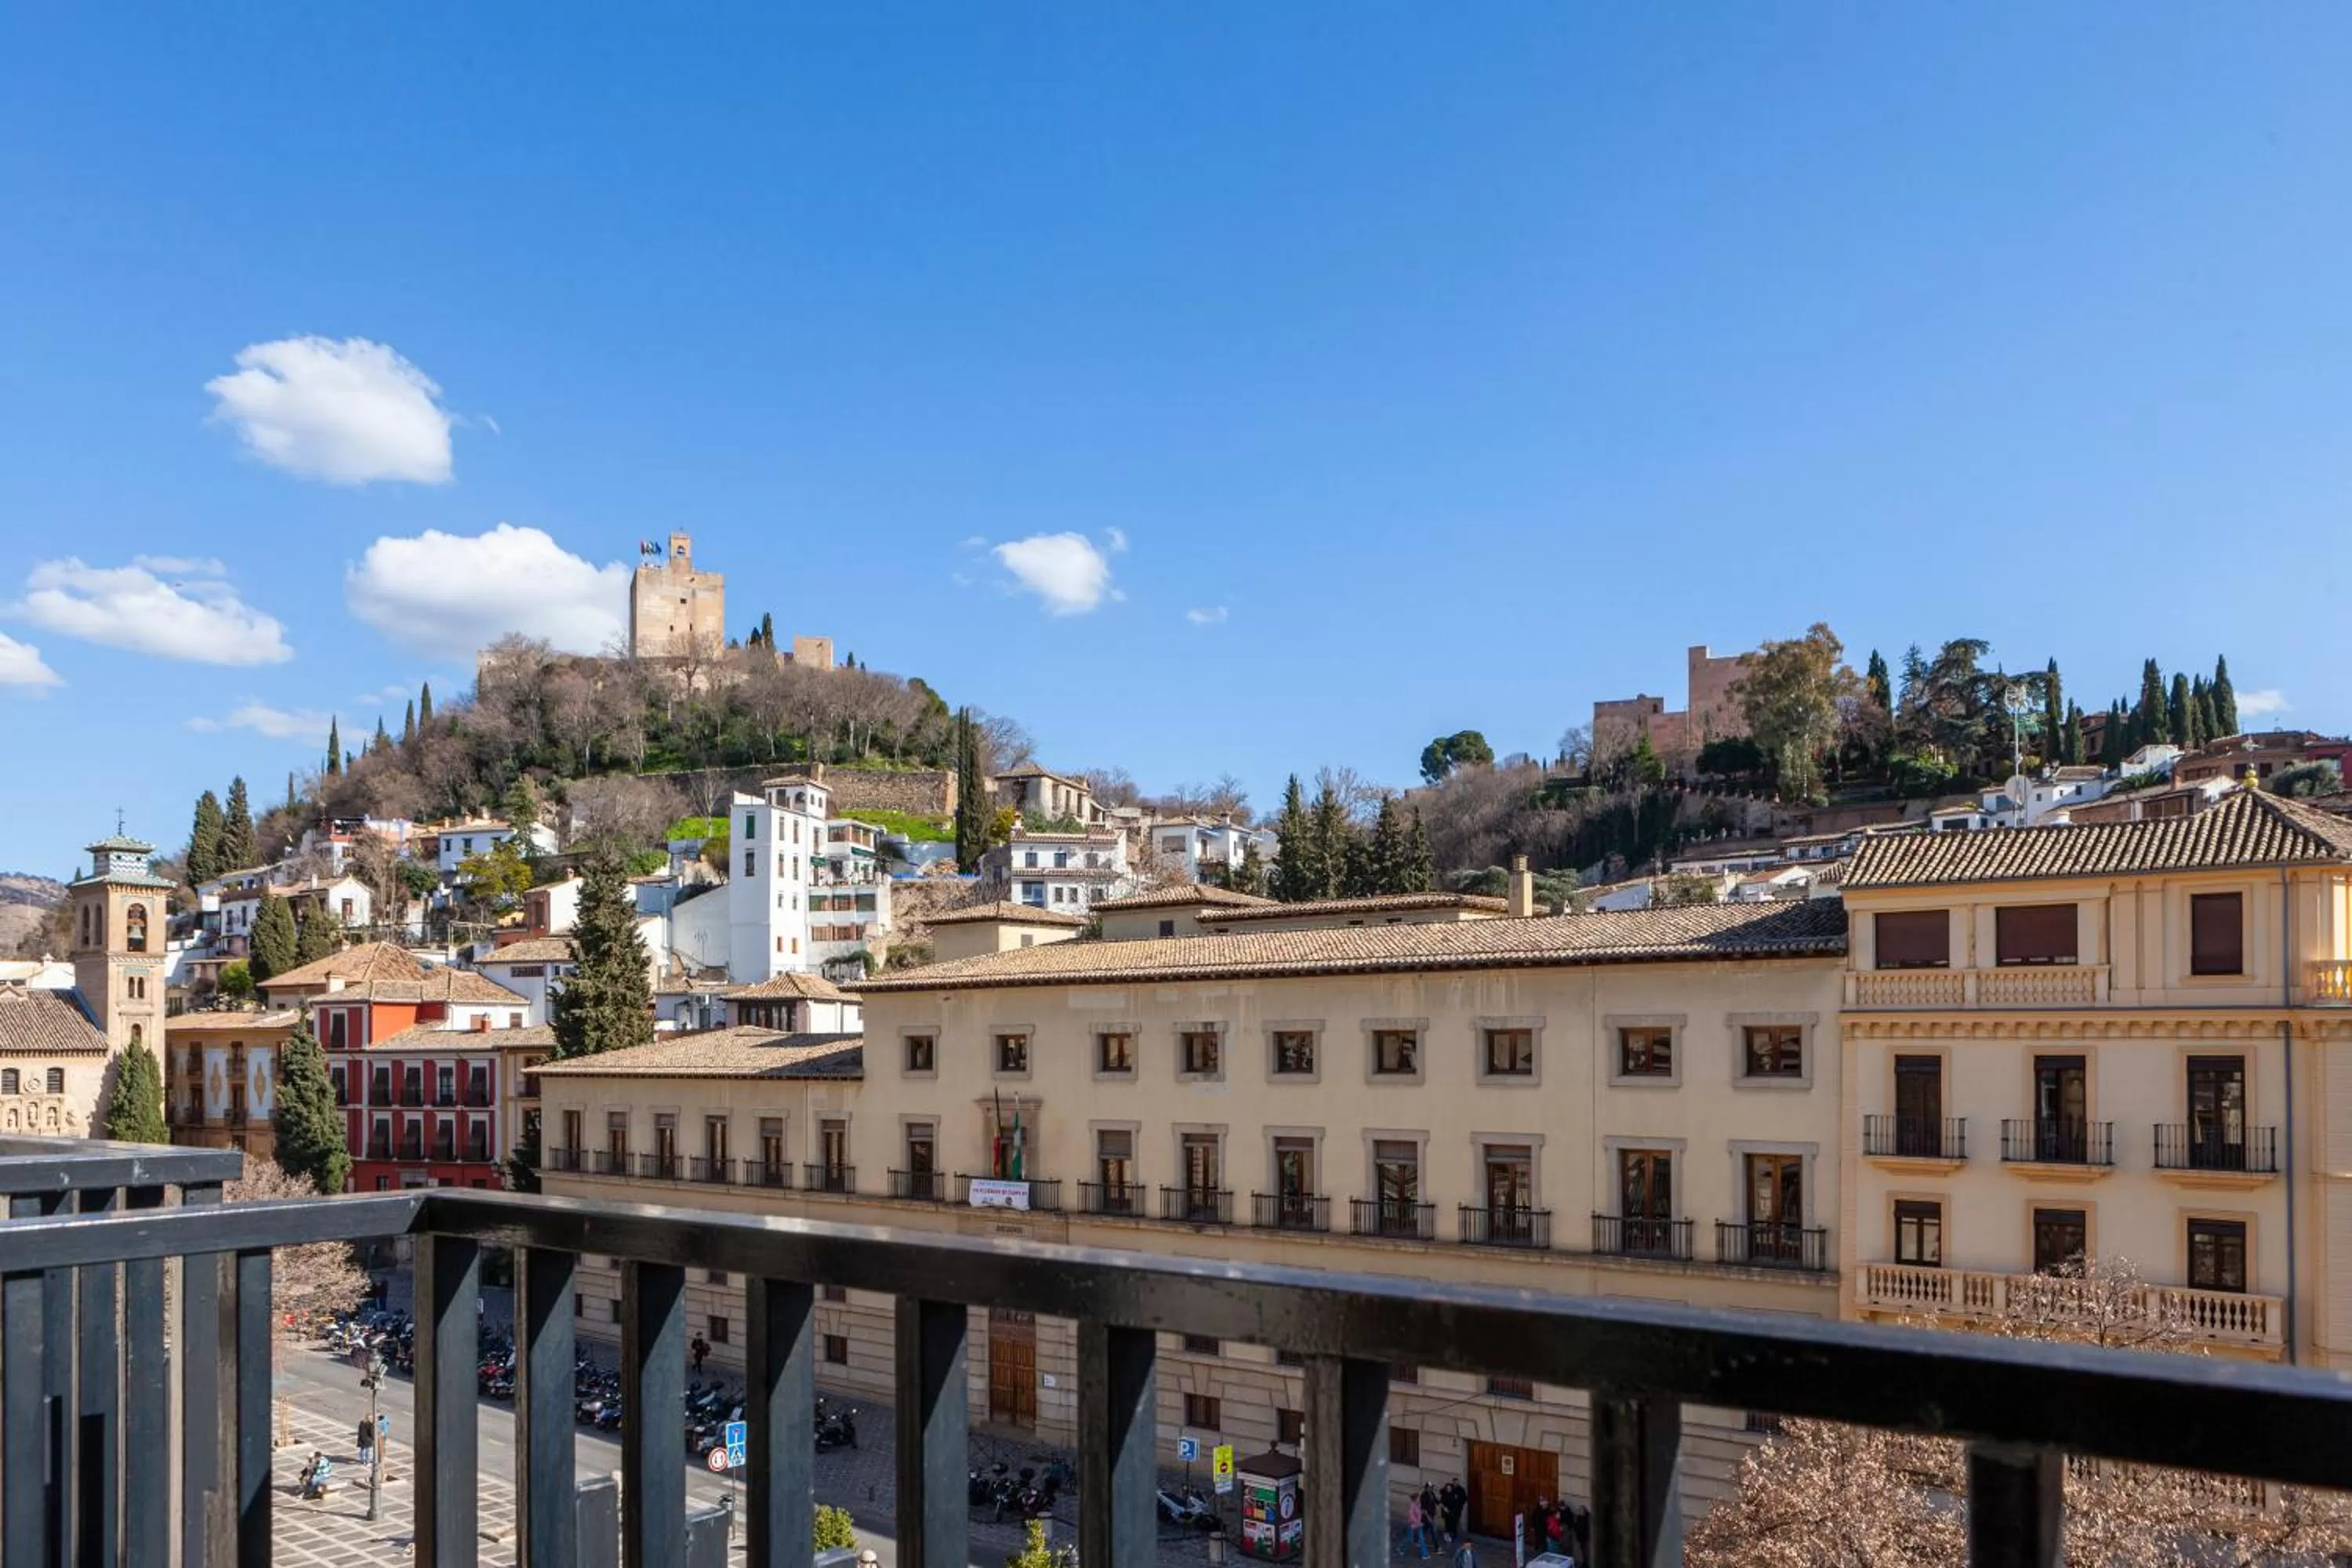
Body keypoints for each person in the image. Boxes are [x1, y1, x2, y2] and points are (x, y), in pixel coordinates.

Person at [1439, 1479, 1467, 1545]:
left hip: (1456, 1510)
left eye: (1457, 1483)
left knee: (1454, 1522)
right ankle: (1448, 1535)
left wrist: (1460, 1504)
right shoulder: (1448, 1491)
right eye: (1454, 1483)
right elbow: (1441, 1494)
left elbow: (1464, 1499)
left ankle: (1453, 1535)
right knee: (1448, 1523)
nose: (1455, 1484)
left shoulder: (1461, 1490)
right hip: (1448, 1512)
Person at [1402, 1492, 1430, 1559]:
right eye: (1418, 1498)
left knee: (1422, 1539)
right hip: (1412, 1525)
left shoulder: (1418, 1504)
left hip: (1418, 1525)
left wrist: (1422, 1512)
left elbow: (1418, 1512)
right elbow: (1411, 1517)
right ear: (1415, 1499)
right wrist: (1418, 1523)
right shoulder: (1412, 1506)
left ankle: (1424, 1554)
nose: (1419, 1499)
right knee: (1409, 1539)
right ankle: (1401, 1548)